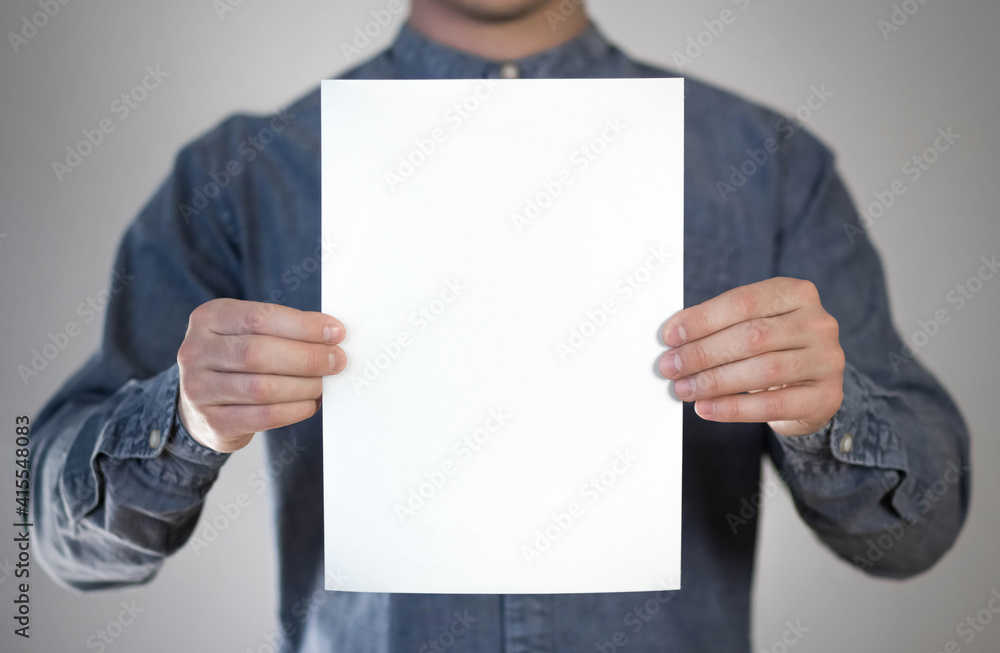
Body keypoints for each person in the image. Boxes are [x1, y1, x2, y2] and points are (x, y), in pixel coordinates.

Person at [31, 1, 970, 651]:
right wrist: (184, 417)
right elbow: (53, 535)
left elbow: (920, 532)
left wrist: (828, 413)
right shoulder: (245, 173)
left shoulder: (770, 164)